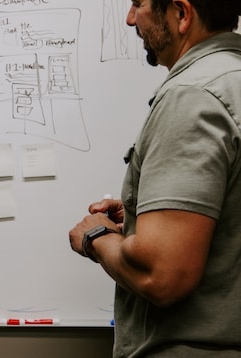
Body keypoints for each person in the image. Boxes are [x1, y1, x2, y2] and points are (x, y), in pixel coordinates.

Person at [69, 1, 241, 357]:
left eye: (139, 4)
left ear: (181, 13)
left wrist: (95, 236)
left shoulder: (192, 96)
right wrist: (141, 213)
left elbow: (162, 276)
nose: (131, 18)